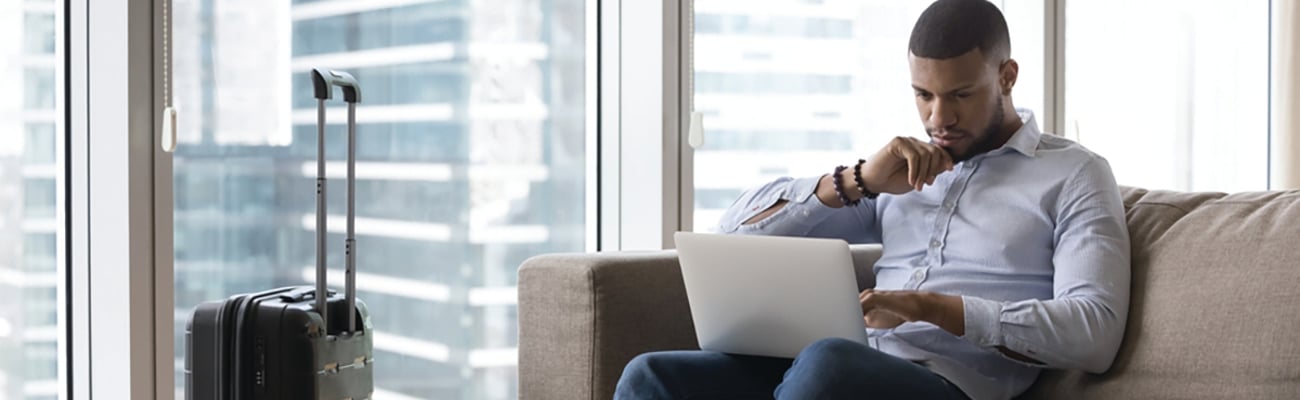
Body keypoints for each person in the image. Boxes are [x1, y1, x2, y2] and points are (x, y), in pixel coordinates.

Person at [613, 1, 1132, 399]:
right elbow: (733, 234)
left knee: (828, 364)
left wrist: (928, 307)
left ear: (1007, 76)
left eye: (960, 95)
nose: (937, 119)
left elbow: (1094, 332)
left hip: (946, 384)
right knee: (652, 376)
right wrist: (856, 180)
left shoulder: (1074, 175)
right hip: (837, 369)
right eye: (923, 95)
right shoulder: (903, 173)